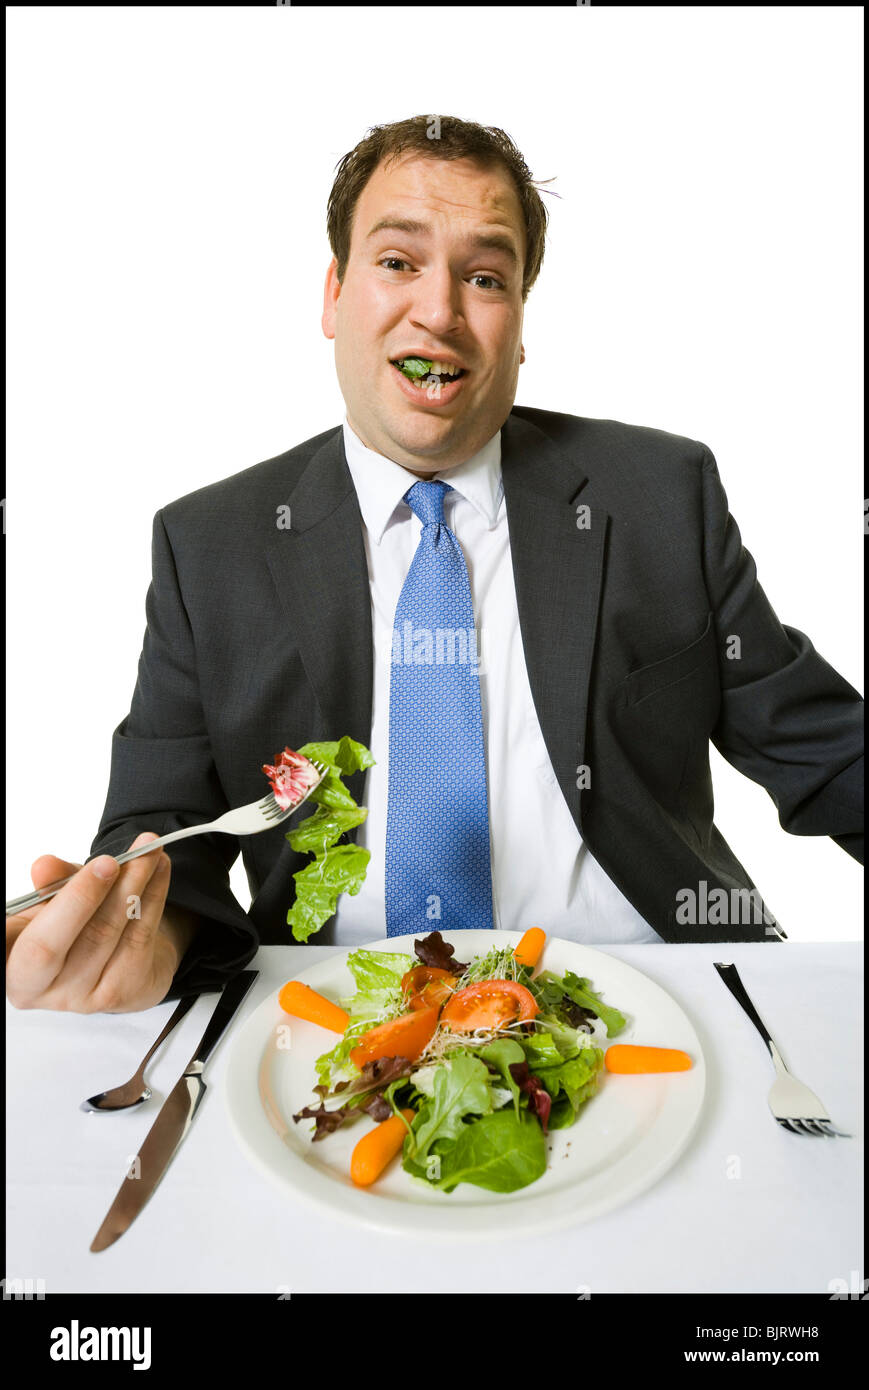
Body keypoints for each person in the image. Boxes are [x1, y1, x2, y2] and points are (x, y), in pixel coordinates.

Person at [6, 114, 863, 1014]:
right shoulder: (208, 544)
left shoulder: (658, 494)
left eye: (485, 277)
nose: (440, 310)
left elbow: (822, 748)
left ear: (520, 324)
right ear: (333, 294)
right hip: (329, 1017)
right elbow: (165, 833)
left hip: (657, 995)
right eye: (397, 262)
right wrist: (150, 932)